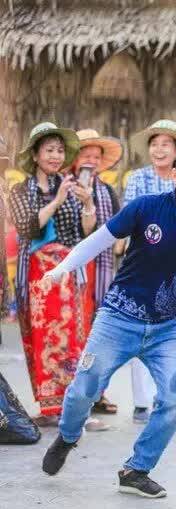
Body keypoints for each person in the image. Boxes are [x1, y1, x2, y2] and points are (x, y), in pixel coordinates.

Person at [40, 143, 176, 497]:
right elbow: (97, 242)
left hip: (172, 326)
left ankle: (136, 469)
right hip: (119, 316)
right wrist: (61, 269)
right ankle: (68, 437)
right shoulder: (146, 208)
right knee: (85, 387)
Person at [8, 123, 105, 429]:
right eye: (49, 149)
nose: (55, 155)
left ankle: (75, 408)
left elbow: (85, 232)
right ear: (35, 155)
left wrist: (88, 202)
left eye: (60, 150)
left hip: (67, 274)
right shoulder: (21, 190)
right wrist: (56, 201)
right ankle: (49, 407)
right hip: (38, 276)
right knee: (41, 339)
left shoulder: (72, 184)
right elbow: (27, 228)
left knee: (74, 340)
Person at [124, 119, 176, 422]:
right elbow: (129, 219)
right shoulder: (137, 179)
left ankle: (174, 397)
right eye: (155, 144)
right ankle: (142, 402)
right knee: (140, 330)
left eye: (166, 144)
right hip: (142, 264)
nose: (159, 149)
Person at [71, 129, 125, 416]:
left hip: (103, 270)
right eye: (86, 154)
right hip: (76, 270)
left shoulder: (106, 190)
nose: (91, 160)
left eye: (96, 156)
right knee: (73, 332)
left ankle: (98, 392)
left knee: (100, 331)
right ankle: (73, 392)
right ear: (75, 158)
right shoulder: (66, 187)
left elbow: (119, 229)